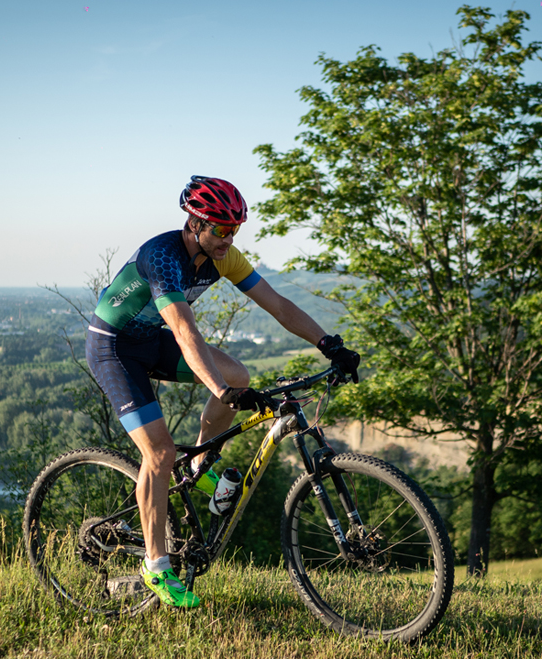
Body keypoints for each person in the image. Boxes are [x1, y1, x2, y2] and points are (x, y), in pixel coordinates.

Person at [85, 175, 360, 608]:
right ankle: (155, 567)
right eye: (220, 229)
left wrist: (328, 343)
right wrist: (219, 388)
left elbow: (278, 304)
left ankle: (195, 465)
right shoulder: (163, 256)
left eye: (234, 230)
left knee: (240, 374)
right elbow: (183, 328)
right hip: (113, 346)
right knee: (158, 452)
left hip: (151, 340)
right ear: (194, 223)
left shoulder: (224, 257)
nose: (227, 239)